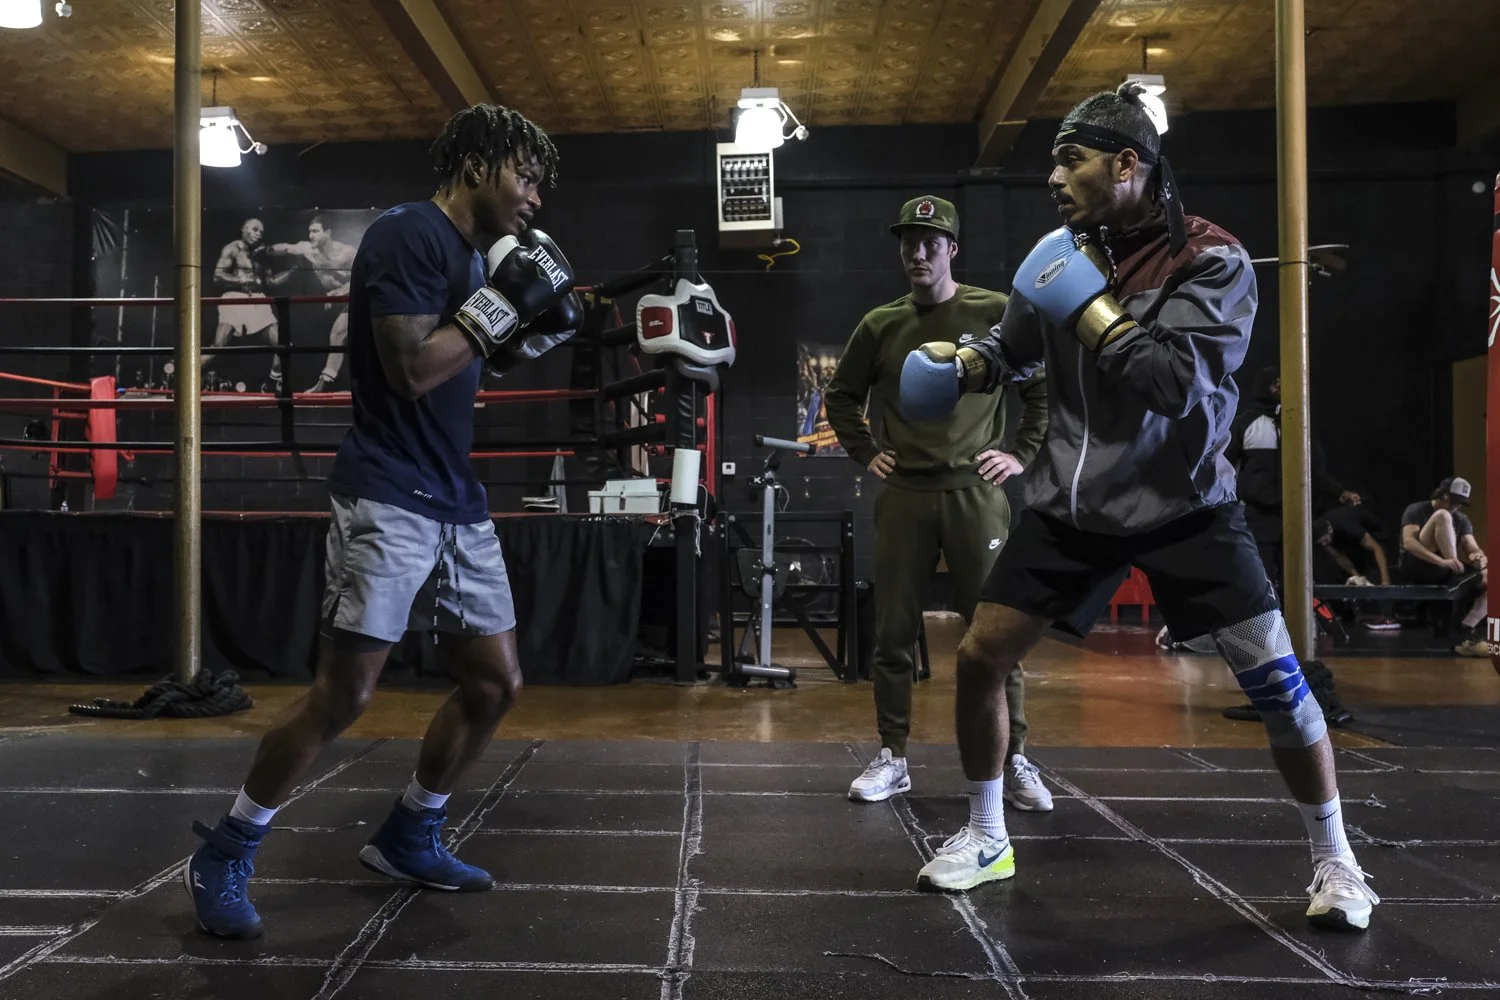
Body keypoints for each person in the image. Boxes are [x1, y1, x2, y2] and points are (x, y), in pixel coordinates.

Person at [898, 82, 1379, 931]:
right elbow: (1011, 348)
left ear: (1127, 165)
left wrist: (1085, 304)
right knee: (979, 657)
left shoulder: (1214, 262)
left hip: (1184, 504)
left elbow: (1171, 383)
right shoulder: (1062, 249)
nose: (1053, 174)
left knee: (1279, 688)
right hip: (1071, 505)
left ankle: (1337, 859)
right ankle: (985, 831)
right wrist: (960, 364)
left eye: (1071, 158)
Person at [184, 103, 584, 940]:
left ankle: (410, 830)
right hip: (390, 493)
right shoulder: (408, 235)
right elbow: (409, 370)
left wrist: (530, 333)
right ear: (477, 165)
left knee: (494, 683)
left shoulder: (474, 259)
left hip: (455, 498)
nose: (536, 197)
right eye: (526, 175)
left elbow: (471, 355)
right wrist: (501, 311)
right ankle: (227, 847)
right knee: (345, 694)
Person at [824, 196, 1052, 811]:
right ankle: (893, 756)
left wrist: (1021, 455)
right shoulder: (880, 324)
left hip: (976, 495)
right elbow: (841, 395)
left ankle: (1015, 759)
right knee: (893, 632)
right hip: (905, 496)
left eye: (931, 241)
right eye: (908, 242)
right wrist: (863, 449)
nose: (918, 252)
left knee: (998, 635)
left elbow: (1041, 392)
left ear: (953, 248)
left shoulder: (995, 312)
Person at [1226, 366, 1359, 588]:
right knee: (1261, 576)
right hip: (1257, 515)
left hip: (1294, 514)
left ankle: (1294, 623)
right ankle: (1266, 623)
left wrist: (1340, 492)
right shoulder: (1246, 423)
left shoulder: (1298, 424)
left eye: (1282, 383)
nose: (1280, 388)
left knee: (1295, 578)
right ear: (1263, 388)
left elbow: (1315, 470)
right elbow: (1225, 466)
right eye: (1274, 383)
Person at [1399, 477, 1488, 657]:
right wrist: (1441, 561)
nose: (1457, 507)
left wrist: (1477, 555)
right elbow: (1408, 543)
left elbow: (1471, 546)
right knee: (1442, 515)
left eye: (1461, 503)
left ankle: (1466, 631)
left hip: (1446, 568)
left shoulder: (1461, 518)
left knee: (1492, 578)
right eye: (1455, 501)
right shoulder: (1417, 509)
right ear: (1444, 495)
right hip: (1419, 564)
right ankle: (1455, 571)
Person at [269, 216, 358, 392]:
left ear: (328, 233)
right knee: (296, 327)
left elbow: (362, 279)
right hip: (334, 302)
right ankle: (280, 378)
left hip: (353, 298)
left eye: (315, 231)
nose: (311, 235)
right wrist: (266, 250)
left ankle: (324, 385)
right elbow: (286, 247)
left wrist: (335, 294)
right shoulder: (308, 249)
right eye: (310, 231)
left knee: (339, 334)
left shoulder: (347, 253)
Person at [207, 217, 284, 391]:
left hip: (257, 299)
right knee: (218, 347)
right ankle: (181, 378)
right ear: (244, 229)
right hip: (235, 298)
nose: (258, 234)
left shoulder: (262, 255)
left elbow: (272, 282)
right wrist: (240, 279)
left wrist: (294, 271)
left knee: (283, 344)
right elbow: (217, 277)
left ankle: (272, 382)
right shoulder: (233, 248)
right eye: (255, 229)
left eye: (261, 231)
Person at [1313, 499, 1399, 631]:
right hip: (1354, 545)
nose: (1325, 544)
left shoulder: (1348, 526)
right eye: (1322, 543)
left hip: (1379, 536)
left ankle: (1388, 617)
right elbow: (1338, 556)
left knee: (1377, 573)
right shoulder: (1321, 531)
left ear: (1330, 530)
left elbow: (1377, 549)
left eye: (1326, 541)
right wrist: (1356, 576)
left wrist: (1385, 580)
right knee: (1348, 576)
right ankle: (1352, 613)